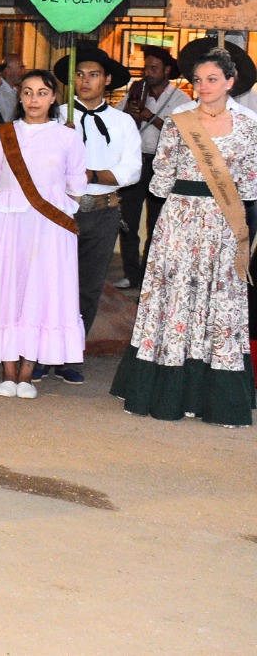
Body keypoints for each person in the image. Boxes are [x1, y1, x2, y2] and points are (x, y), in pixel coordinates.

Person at [111, 49, 257, 427]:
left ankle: (216, 397)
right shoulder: (179, 122)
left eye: (212, 79)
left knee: (218, 299)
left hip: (224, 223)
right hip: (178, 221)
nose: (204, 87)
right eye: (198, 80)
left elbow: (251, 185)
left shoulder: (249, 127)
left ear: (230, 81)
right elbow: (160, 181)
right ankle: (163, 391)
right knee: (173, 296)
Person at [0, 70, 88, 398]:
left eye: (41, 92)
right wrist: (8, 207)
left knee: (41, 294)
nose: (34, 99)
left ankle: (27, 373)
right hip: (8, 226)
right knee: (6, 292)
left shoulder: (68, 136)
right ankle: (8, 372)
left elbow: (76, 184)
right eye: (27, 92)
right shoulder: (2, 135)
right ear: (19, 96)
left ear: (54, 98)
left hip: (51, 229)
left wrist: (54, 211)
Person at [50, 45, 140, 384]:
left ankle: (71, 354)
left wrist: (91, 175)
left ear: (107, 80)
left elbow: (131, 169)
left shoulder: (122, 122)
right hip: (60, 211)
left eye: (93, 75)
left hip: (103, 212)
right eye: (79, 74)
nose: (85, 80)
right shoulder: (55, 115)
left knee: (87, 289)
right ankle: (44, 352)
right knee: (53, 284)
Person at [117, 45, 188, 289]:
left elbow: (181, 133)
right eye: (146, 67)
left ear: (167, 70)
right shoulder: (137, 90)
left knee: (156, 224)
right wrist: (130, 112)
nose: (148, 72)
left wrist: (150, 116)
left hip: (162, 166)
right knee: (128, 222)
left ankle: (149, 276)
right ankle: (131, 274)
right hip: (137, 162)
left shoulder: (180, 98)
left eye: (154, 68)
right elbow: (118, 122)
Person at [0, 51, 27, 124]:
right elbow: (6, 120)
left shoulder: (15, 90)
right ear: (8, 71)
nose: (24, 71)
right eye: (21, 67)